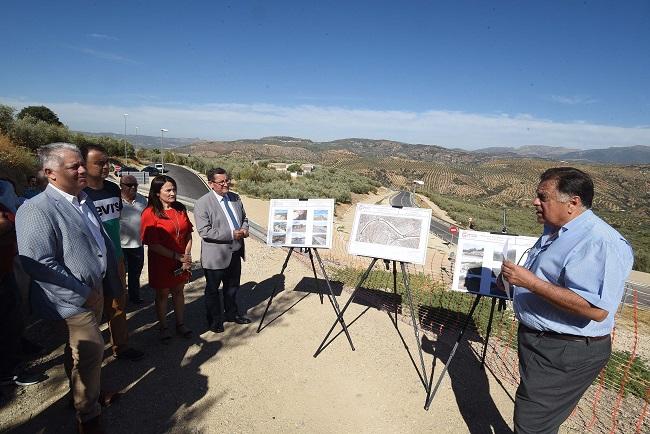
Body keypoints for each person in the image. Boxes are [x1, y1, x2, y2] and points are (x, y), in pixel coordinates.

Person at [500, 167, 634, 434]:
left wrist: (530, 283)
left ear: (573, 203)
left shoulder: (600, 243)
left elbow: (595, 310)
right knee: (535, 416)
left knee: (531, 424)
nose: (534, 202)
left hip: (564, 351)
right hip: (546, 344)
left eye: (543, 197)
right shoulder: (557, 229)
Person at [15, 143, 122, 433]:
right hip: (74, 299)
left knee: (78, 352)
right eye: (73, 166)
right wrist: (83, 294)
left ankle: (82, 397)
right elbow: (38, 263)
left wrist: (107, 282)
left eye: (81, 164)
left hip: (94, 290)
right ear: (50, 173)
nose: (82, 170)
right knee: (92, 351)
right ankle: (88, 418)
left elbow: (99, 242)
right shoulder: (36, 209)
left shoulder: (83, 199)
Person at [81, 144, 144, 362]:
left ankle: (121, 346)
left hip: (116, 258)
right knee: (90, 313)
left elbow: (115, 223)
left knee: (118, 306)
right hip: (90, 264)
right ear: (83, 164)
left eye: (107, 161)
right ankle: (91, 358)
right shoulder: (78, 195)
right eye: (99, 163)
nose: (106, 166)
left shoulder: (112, 189)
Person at [194, 167, 251, 333]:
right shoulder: (203, 203)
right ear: (211, 184)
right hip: (216, 256)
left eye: (227, 180)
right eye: (222, 182)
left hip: (235, 251)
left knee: (232, 287)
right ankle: (214, 321)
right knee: (213, 290)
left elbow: (244, 218)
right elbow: (204, 231)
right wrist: (231, 234)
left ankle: (232, 314)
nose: (226, 184)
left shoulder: (235, 198)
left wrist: (245, 229)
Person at [141, 175, 193, 342]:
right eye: (168, 190)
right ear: (157, 193)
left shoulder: (180, 208)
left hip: (181, 260)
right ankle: (163, 327)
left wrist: (186, 255)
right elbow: (153, 244)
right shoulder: (149, 213)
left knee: (179, 291)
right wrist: (177, 256)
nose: (173, 193)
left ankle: (180, 324)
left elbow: (188, 233)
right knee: (162, 294)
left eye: (174, 189)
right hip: (162, 262)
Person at [119, 174, 147, 304]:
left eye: (135, 185)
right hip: (120, 246)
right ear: (122, 186)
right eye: (130, 185)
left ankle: (134, 297)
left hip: (137, 244)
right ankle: (121, 298)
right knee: (120, 275)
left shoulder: (142, 200)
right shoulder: (116, 200)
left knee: (135, 273)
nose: (133, 187)